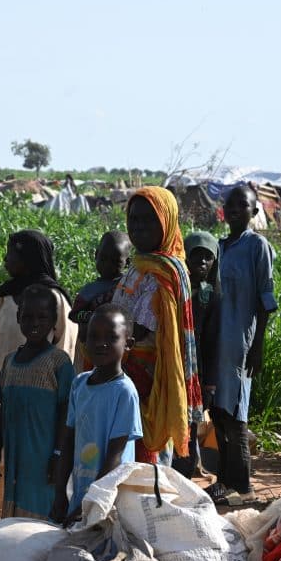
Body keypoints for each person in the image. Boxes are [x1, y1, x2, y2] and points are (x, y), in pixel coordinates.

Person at [111, 186, 201, 464]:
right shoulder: (139, 264)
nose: (139, 227)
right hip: (122, 368)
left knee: (146, 454)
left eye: (149, 220)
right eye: (134, 219)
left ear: (167, 222)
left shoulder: (167, 271)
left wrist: (101, 325)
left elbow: (141, 328)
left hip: (150, 377)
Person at [207, 185, 277, 505]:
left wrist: (258, 343)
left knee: (236, 411)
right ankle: (224, 479)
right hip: (216, 339)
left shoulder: (257, 246)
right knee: (218, 410)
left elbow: (265, 299)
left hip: (240, 341)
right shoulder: (218, 247)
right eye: (230, 203)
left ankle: (242, 483)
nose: (234, 208)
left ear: (254, 211)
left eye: (242, 203)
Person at [0, 229, 77, 460]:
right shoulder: (5, 295)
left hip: (41, 392)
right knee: (4, 456)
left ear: (27, 259)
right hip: (6, 387)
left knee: (34, 455)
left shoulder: (54, 299)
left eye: (10, 255)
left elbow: (66, 346)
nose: (5, 260)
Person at [0, 284, 76, 519]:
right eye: (27, 316)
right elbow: (4, 411)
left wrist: (58, 454)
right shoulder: (10, 362)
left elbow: (66, 412)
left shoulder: (59, 362)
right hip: (16, 458)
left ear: (54, 320)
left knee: (39, 519)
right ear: (18, 317)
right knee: (13, 516)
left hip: (44, 459)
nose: (34, 323)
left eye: (42, 317)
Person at [52, 305, 143, 524]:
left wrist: (92, 502)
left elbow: (115, 455)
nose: (101, 344)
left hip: (111, 498)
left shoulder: (124, 392)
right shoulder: (80, 384)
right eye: (94, 336)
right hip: (82, 493)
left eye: (111, 338)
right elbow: (69, 441)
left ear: (128, 344)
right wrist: (59, 496)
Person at [172, 230, 219, 479]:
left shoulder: (210, 295)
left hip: (195, 369)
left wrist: (209, 384)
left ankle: (185, 472)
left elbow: (211, 343)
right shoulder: (174, 288)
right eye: (195, 255)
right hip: (172, 363)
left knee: (189, 422)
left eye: (207, 257)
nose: (201, 262)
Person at [70, 231, 132, 371]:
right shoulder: (89, 290)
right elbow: (74, 315)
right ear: (96, 255)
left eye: (115, 261)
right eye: (103, 259)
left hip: (119, 351)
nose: (108, 265)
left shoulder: (128, 290)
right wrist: (89, 318)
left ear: (127, 262)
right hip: (89, 348)